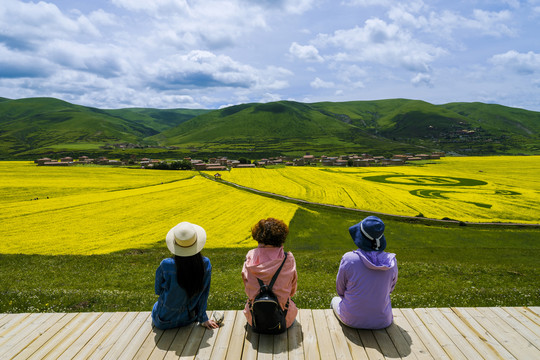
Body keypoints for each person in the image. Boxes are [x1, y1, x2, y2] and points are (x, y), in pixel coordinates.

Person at [331, 216, 398, 329]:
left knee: (334, 300)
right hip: (383, 321)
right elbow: (390, 289)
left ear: (360, 238)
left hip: (351, 320)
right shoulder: (392, 261)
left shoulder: (349, 259)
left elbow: (340, 290)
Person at [152, 221, 219, 330]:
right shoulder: (205, 264)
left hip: (163, 321)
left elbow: (157, 290)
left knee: (156, 306)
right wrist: (203, 318)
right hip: (187, 319)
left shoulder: (166, 264)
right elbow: (204, 293)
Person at [242, 218, 298, 330]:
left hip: (254, 319)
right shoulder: (288, 259)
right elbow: (292, 291)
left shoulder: (250, 257)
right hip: (284, 319)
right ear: (281, 239)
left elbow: (247, 287)